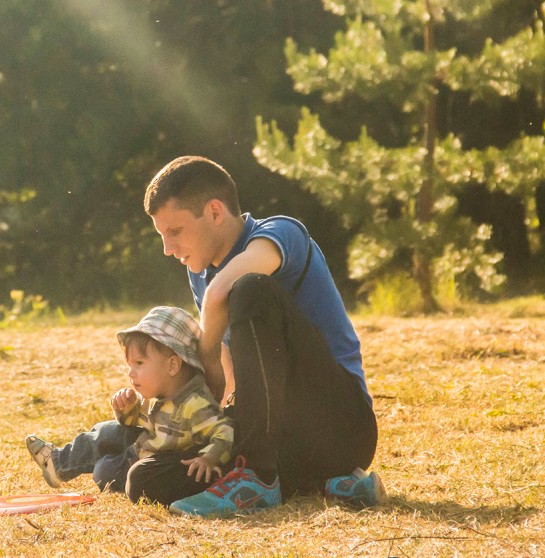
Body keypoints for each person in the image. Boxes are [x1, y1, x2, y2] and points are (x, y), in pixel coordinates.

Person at [143, 155, 385, 517]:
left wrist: (205, 351)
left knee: (250, 289)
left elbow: (225, 291)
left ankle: (257, 476)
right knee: (147, 478)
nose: (167, 249)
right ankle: (325, 483)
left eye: (174, 231)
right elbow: (229, 379)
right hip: (279, 436)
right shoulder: (200, 273)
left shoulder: (280, 233)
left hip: (341, 426)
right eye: (162, 235)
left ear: (214, 212)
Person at [25, 306, 234, 507]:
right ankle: (58, 463)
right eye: (129, 365)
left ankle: (103, 466)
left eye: (139, 364)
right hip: (142, 448)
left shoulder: (195, 404)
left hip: (157, 462)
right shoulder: (156, 396)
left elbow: (224, 432)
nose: (131, 373)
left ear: (172, 365)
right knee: (107, 431)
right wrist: (127, 411)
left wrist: (209, 458)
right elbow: (135, 424)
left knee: (103, 470)